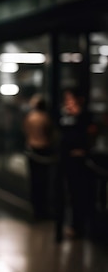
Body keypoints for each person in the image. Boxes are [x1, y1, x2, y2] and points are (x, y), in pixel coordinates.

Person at [56, 87, 96, 240]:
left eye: (70, 99)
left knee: (79, 194)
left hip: (80, 162)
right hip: (65, 160)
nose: (68, 103)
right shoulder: (65, 116)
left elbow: (90, 134)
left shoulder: (84, 116)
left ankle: (79, 225)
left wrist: (84, 150)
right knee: (64, 193)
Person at [23, 93, 57, 221]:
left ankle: (36, 209)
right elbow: (50, 134)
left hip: (33, 150)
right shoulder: (45, 118)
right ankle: (42, 209)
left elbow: (26, 131)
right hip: (43, 150)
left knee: (35, 182)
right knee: (43, 182)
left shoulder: (30, 117)